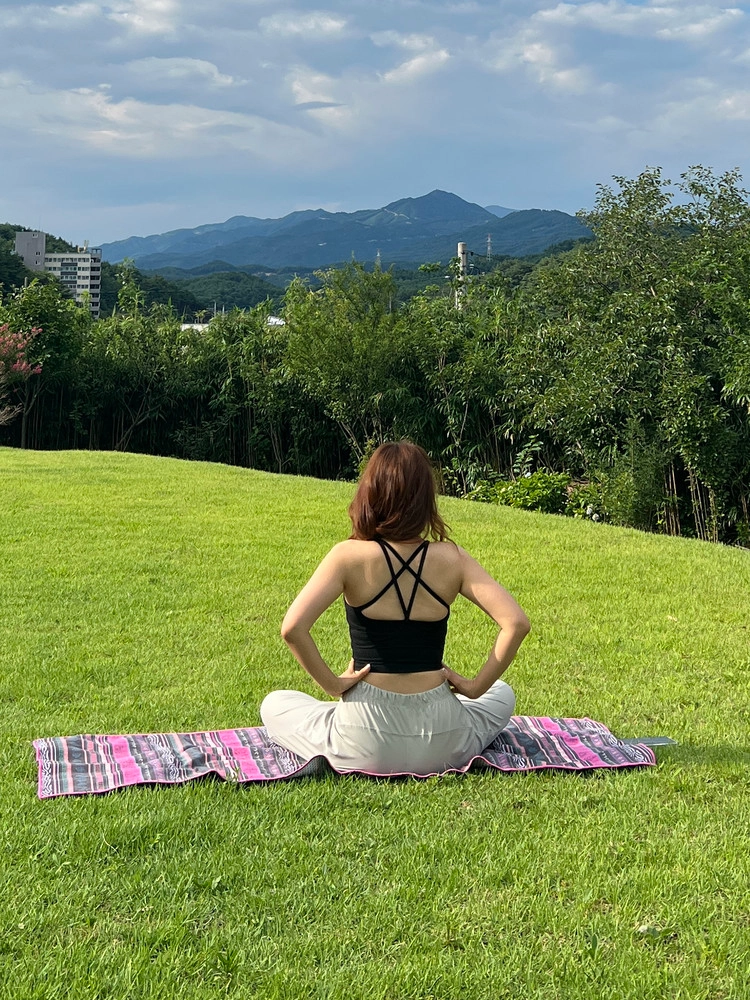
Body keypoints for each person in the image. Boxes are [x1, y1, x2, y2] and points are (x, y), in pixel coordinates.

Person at [260, 441, 530, 775]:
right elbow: (516, 623)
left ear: (370, 493)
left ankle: (332, 743)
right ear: (425, 499)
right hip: (443, 741)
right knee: (501, 694)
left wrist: (333, 685)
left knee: (275, 703)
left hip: (363, 739)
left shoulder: (347, 556)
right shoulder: (453, 558)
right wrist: (475, 688)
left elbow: (292, 628)